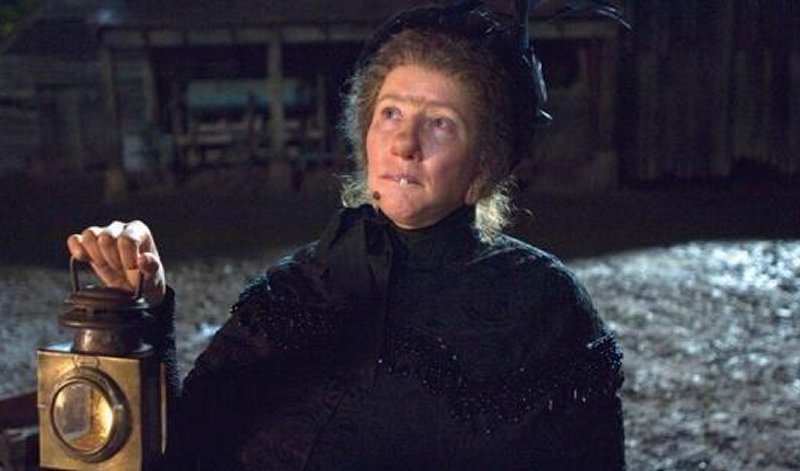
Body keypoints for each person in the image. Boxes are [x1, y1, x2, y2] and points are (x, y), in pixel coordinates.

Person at [67, 1, 626, 468]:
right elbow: (190, 449)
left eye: (440, 123)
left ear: (484, 166)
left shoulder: (543, 304)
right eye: (391, 113)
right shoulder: (297, 288)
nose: (404, 144)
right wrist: (145, 309)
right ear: (365, 137)